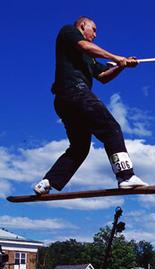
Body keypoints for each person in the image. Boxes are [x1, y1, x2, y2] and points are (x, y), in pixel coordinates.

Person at [33, 16, 147, 195]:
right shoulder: (68, 32)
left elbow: (103, 77)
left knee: (80, 147)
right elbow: (85, 46)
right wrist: (116, 57)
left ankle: (48, 181)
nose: (95, 34)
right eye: (93, 29)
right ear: (82, 25)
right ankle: (126, 177)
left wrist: (122, 66)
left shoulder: (89, 58)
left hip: (66, 101)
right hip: (75, 92)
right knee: (111, 129)